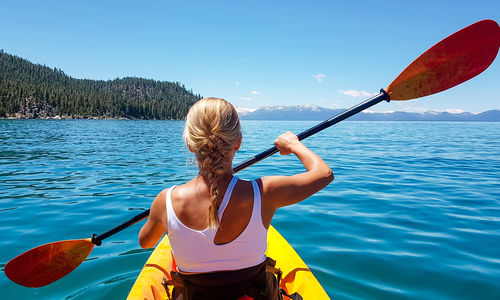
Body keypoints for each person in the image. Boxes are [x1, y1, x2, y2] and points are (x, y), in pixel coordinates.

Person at [139, 97, 333, 299]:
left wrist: (161, 216)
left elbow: (146, 242)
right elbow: (324, 174)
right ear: (238, 142)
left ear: (189, 143)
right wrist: (294, 145)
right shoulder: (265, 192)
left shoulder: (165, 201)